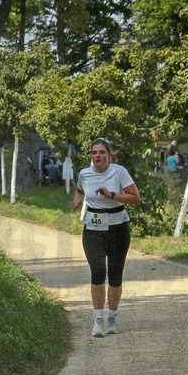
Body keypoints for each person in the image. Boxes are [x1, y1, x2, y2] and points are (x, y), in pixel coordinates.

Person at [69, 138, 141, 338]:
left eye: (101, 152)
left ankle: (112, 318)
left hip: (118, 226)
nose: (97, 156)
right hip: (93, 227)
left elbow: (135, 198)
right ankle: (98, 319)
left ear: (109, 155)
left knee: (115, 273)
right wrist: (77, 201)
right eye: (94, 152)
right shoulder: (85, 173)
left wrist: (112, 195)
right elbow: (80, 190)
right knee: (98, 270)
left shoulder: (119, 172)